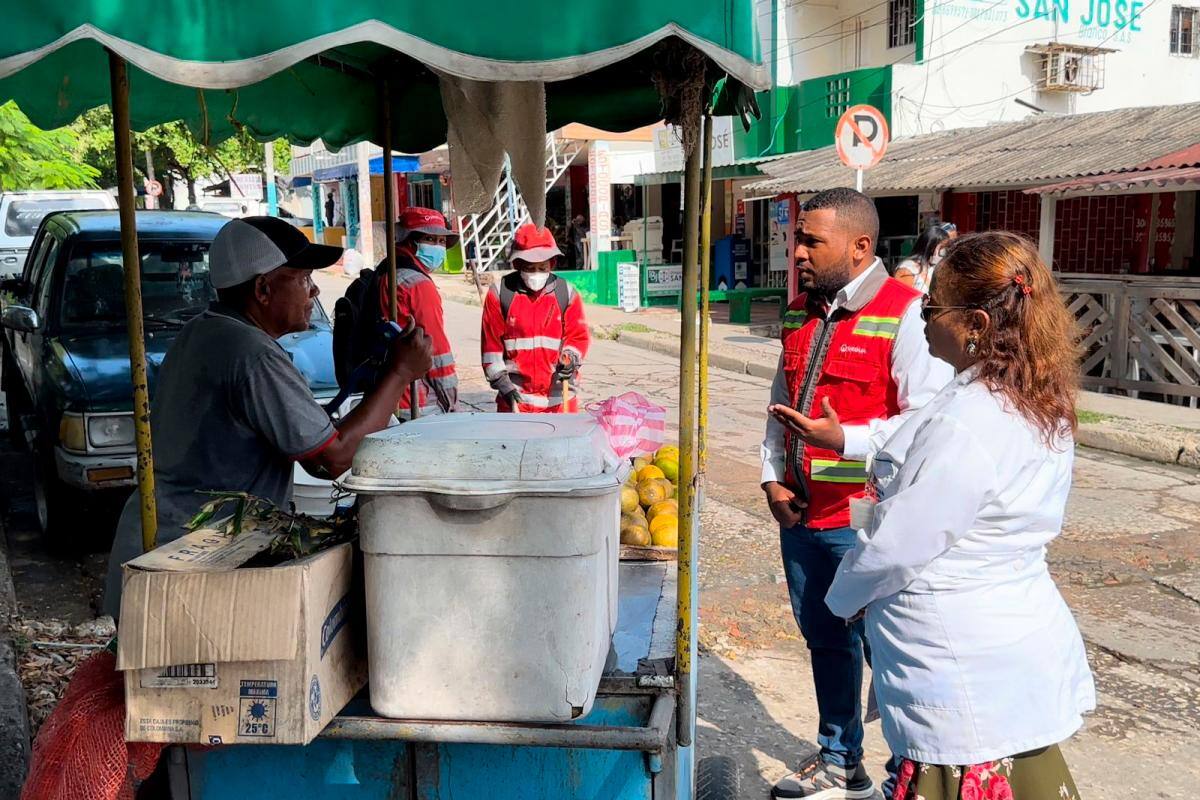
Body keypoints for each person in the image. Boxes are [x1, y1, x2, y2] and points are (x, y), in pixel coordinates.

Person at [822, 232, 1095, 800]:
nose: (921, 318)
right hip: (1010, 637)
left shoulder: (969, 421)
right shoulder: (1029, 398)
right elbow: (907, 443)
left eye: (930, 306)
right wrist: (848, 439)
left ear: (975, 321)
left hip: (961, 657)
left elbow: (899, 544)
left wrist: (843, 600)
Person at [103, 216, 434, 617]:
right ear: (262, 288)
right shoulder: (251, 354)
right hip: (194, 558)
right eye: (303, 278)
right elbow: (331, 459)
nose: (313, 290)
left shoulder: (204, 332)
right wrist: (401, 373)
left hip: (163, 539)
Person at [760, 188, 954, 800]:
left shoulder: (907, 314)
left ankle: (911, 772)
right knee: (824, 638)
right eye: (799, 239)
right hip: (802, 512)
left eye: (812, 240)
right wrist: (772, 475)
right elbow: (779, 401)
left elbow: (929, 420)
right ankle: (841, 760)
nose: (798, 252)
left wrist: (847, 439)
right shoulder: (797, 311)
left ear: (860, 245)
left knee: (887, 649)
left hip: (867, 517)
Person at [481, 223, 589, 412]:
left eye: (542, 267)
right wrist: (502, 384)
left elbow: (577, 337)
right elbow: (491, 349)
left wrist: (570, 359)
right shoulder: (499, 294)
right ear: (518, 265)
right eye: (530, 268)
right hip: (515, 401)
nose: (536, 273)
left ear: (552, 263)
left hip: (559, 400)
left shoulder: (567, 294)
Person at [375, 207, 459, 416]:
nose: (438, 247)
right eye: (430, 239)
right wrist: (451, 399)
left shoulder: (386, 271)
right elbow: (436, 348)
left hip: (387, 391)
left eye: (441, 242)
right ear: (409, 241)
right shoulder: (418, 284)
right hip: (416, 397)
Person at [893, 225, 950, 294]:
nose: (945, 251)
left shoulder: (936, 268)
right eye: (943, 247)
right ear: (931, 247)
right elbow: (902, 298)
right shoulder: (907, 269)